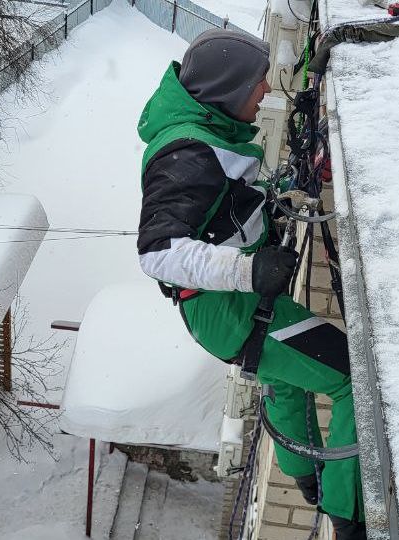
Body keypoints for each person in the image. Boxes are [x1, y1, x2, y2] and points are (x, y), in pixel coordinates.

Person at [135, 28, 366, 539]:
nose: (264, 92)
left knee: (286, 375)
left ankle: (307, 479)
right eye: (257, 83)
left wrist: (281, 191)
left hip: (233, 307)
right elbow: (157, 252)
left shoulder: (206, 132)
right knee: (351, 377)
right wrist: (248, 271)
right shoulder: (187, 151)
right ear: (227, 89)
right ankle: (349, 517)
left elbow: (229, 203)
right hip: (229, 310)